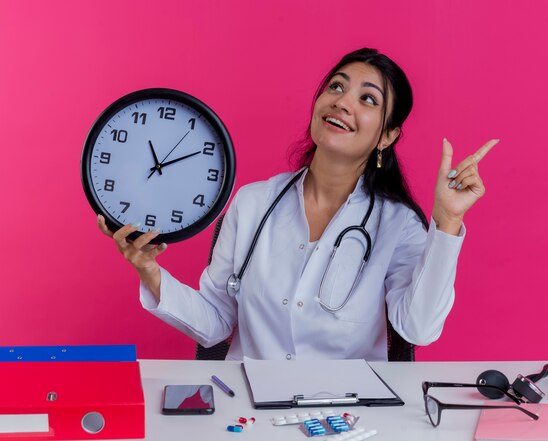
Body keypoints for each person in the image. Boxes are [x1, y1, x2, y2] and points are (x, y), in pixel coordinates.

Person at [98, 48, 497, 361]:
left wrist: (446, 222)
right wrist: (148, 270)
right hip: (249, 409)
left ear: (386, 137)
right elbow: (216, 323)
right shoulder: (253, 203)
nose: (342, 102)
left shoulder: (398, 225)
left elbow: (419, 328)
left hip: (349, 415)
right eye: (336, 87)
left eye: (368, 99)